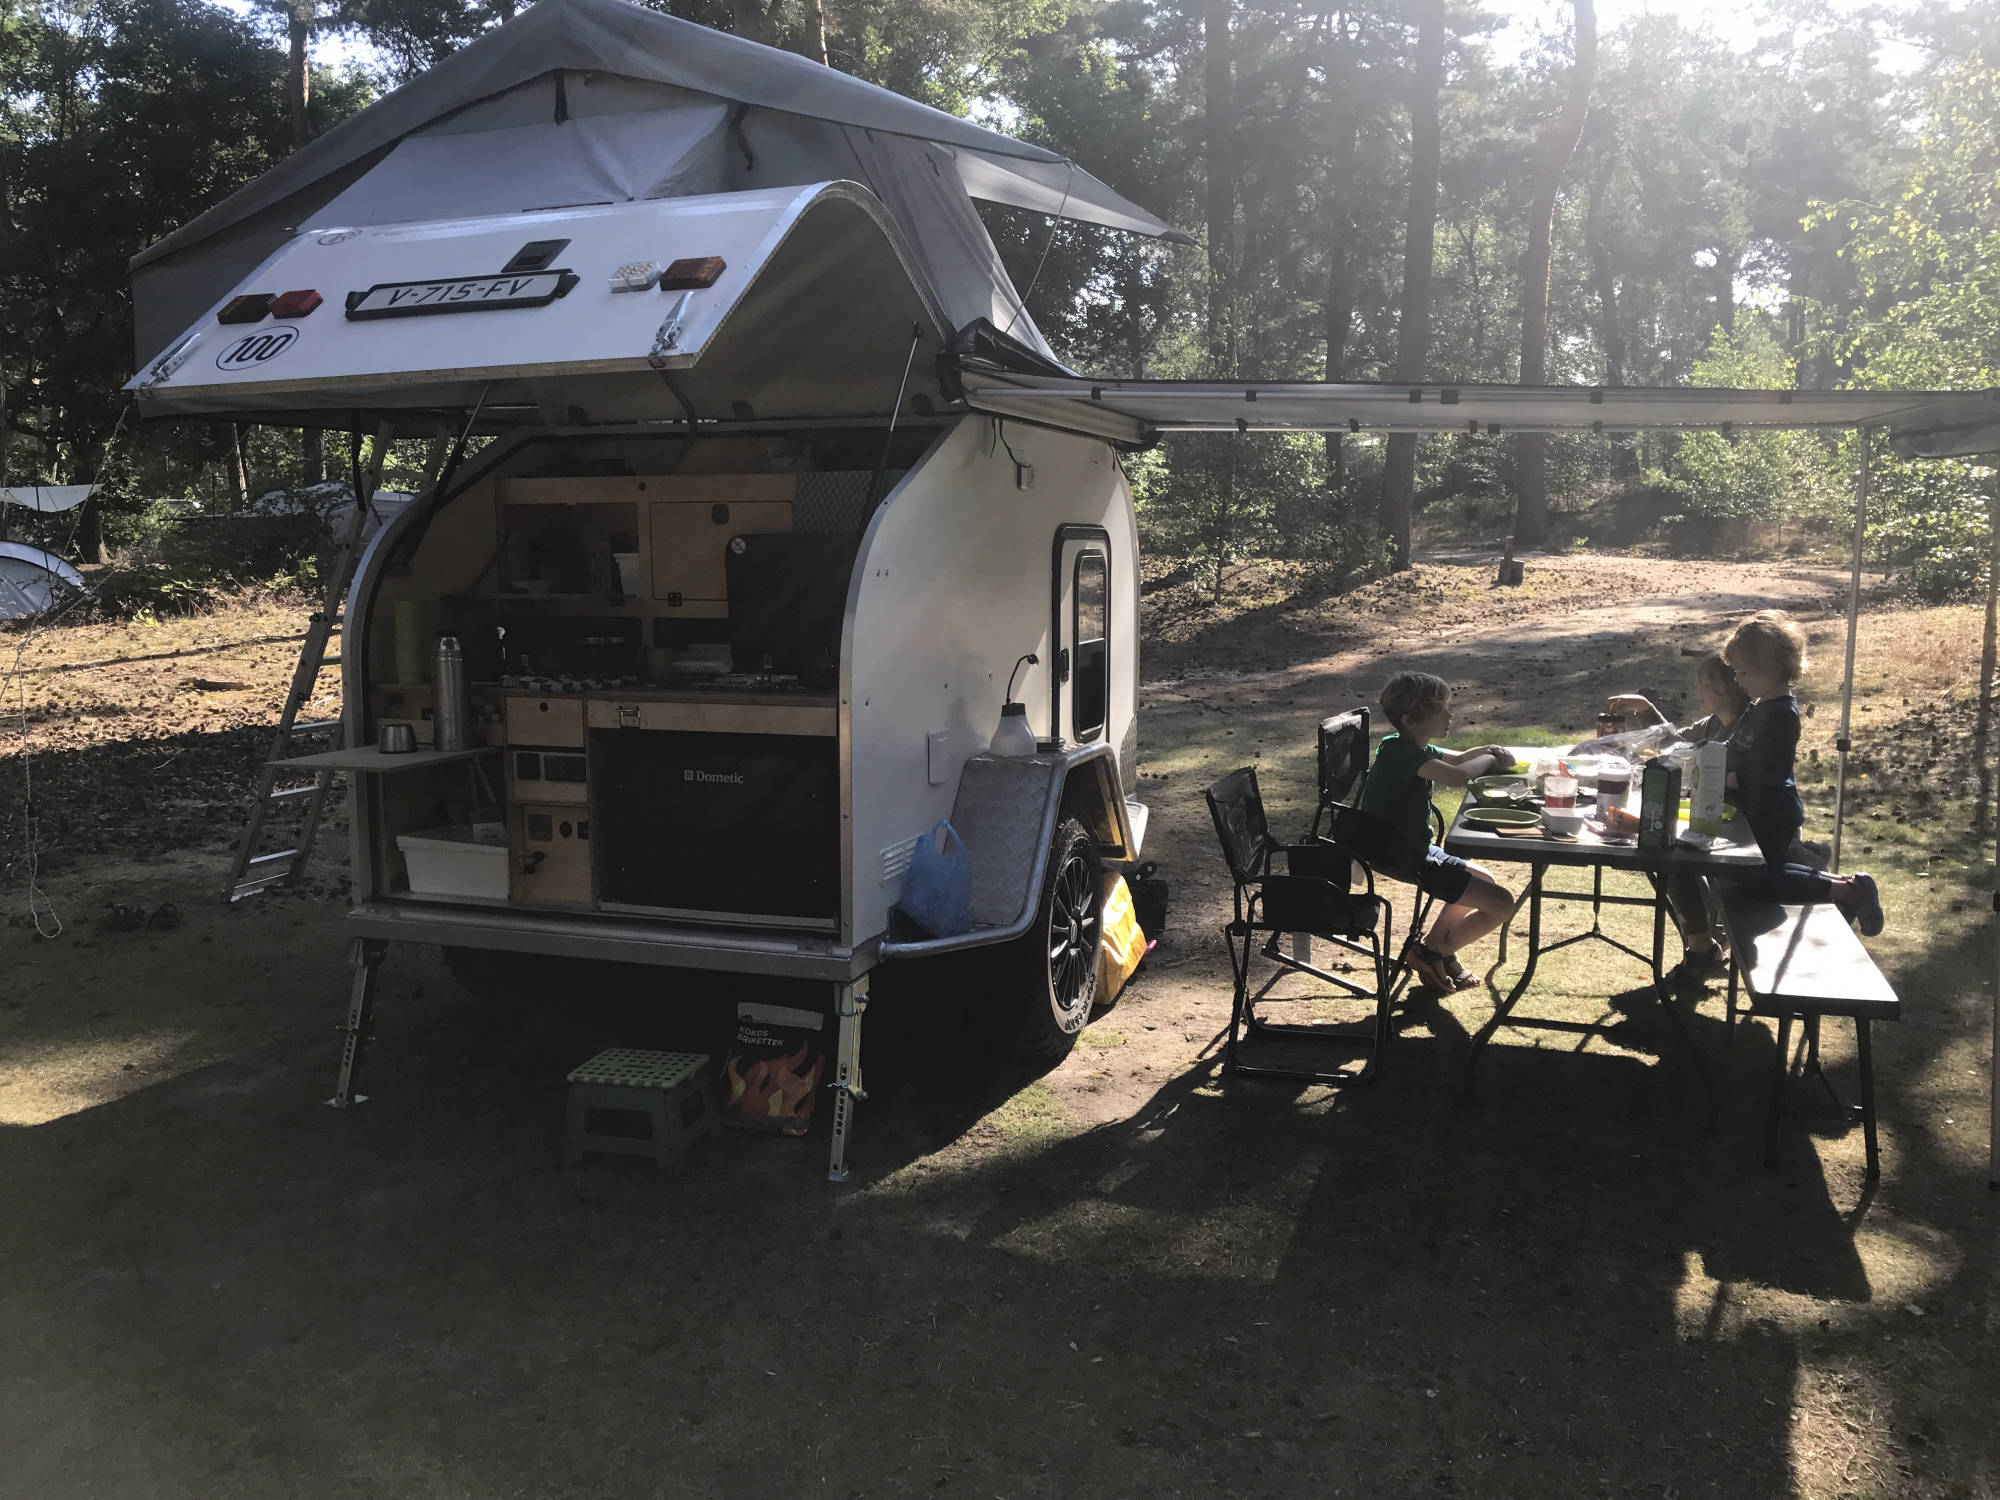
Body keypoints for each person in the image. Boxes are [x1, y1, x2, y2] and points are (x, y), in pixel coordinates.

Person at [1721, 611, 1883, 935]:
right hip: (1753, 810)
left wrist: (1732, 777)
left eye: (1743, 672)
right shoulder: (1757, 706)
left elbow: (1768, 772)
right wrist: (1711, 757)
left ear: (1771, 669)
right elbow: (1735, 746)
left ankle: (1845, 892)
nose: (1737, 680)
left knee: (1758, 878)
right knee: (1764, 870)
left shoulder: (1782, 714)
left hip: (1772, 813)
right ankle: (1850, 884)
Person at [1358, 670, 1519, 993]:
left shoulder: (1406, 745)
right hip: (1402, 855)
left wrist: (1487, 749)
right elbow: (1458, 776)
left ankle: (1434, 947)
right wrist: (1489, 759)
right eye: (1440, 709)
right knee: (1502, 903)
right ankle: (1433, 952)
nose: (1449, 714)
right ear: (1410, 720)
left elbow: (1458, 760)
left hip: (1415, 848)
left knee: (1485, 879)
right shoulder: (1399, 753)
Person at [1606, 654, 1752, 981]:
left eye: (1705, 685)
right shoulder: (1712, 723)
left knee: (1670, 853)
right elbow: (1675, 743)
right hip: (1708, 822)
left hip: (1740, 830)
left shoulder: (1745, 729)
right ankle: (1703, 943)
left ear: (1726, 690)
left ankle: (1703, 948)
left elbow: (1697, 758)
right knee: (1664, 846)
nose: (1699, 692)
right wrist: (1645, 709)